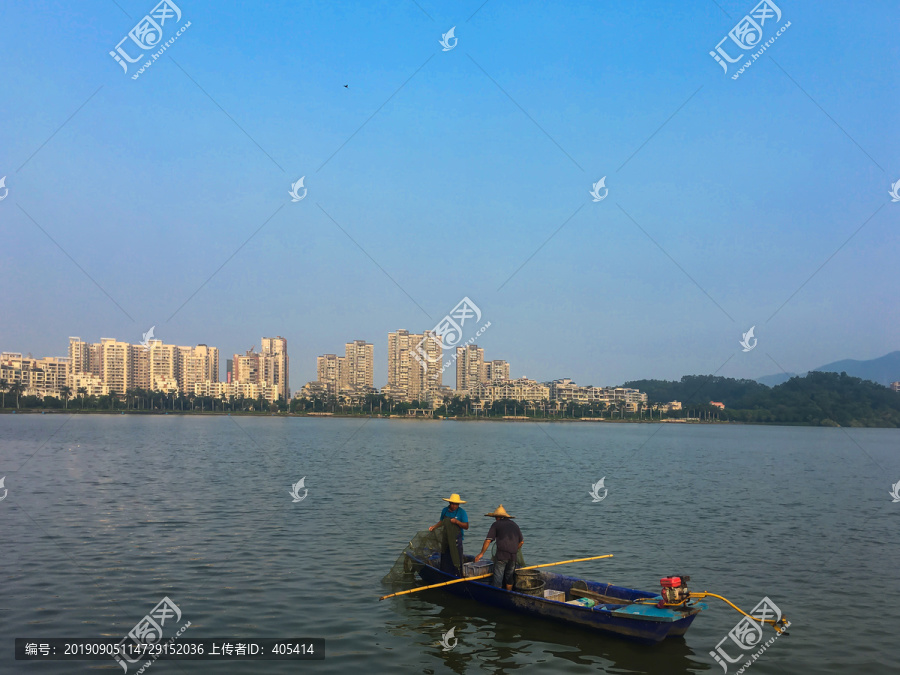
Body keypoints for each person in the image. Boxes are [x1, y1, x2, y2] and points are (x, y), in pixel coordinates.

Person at [474, 505, 523, 590]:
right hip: (513, 556)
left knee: (498, 579)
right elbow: (521, 542)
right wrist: (514, 550)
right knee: (509, 578)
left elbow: (488, 540)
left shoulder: (496, 524)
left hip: (502, 556)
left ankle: (498, 594)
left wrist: (481, 554)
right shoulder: (515, 524)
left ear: (497, 517)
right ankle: (509, 594)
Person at [428, 493, 469, 576]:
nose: (454, 506)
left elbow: (466, 526)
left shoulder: (462, 512)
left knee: (457, 558)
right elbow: (442, 522)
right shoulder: (445, 510)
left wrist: (457, 522)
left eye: (456, 504)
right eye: (453, 504)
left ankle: (458, 574)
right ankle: (445, 573)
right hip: (446, 538)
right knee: (445, 557)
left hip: (456, 539)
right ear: (450, 503)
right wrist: (434, 526)